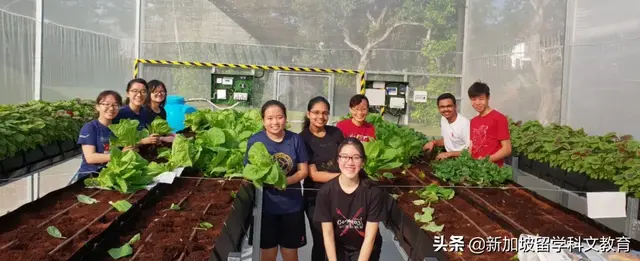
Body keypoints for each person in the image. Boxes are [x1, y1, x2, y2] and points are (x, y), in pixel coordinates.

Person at [245, 100, 309, 261]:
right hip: (265, 208)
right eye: (270, 118)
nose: (275, 122)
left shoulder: (295, 139)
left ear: (285, 119)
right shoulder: (255, 141)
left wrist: (284, 182)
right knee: (268, 254)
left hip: (292, 207)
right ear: (263, 121)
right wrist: (266, 179)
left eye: (279, 117)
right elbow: (248, 172)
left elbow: (303, 171)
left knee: (289, 253)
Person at [314, 138, 385, 261]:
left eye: (356, 157)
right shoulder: (326, 192)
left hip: (365, 249)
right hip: (338, 248)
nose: (350, 162)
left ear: (362, 161)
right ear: (338, 159)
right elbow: (328, 234)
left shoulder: (373, 192)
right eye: (344, 157)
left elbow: (370, 237)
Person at [299, 96, 344, 261]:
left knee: (339, 241)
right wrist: (344, 176)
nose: (321, 116)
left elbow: (345, 158)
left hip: (340, 196)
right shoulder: (302, 138)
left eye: (325, 113)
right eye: (316, 112)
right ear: (308, 114)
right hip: (315, 199)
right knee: (321, 242)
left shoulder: (336, 133)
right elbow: (314, 174)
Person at [69, 90, 135, 184]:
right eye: (106, 104)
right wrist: (120, 155)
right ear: (97, 107)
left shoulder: (119, 128)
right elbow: (90, 158)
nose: (111, 108)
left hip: (111, 175)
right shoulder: (90, 127)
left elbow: (125, 150)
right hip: (90, 176)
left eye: (115, 105)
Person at [467, 81, 512, 167]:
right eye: (473, 99)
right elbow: (471, 147)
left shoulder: (499, 118)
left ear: (488, 98)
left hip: (492, 170)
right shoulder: (473, 121)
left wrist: (486, 160)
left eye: (481, 99)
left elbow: (507, 149)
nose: (477, 103)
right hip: (475, 168)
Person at [423, 93, 471, 160]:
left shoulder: (464, 124)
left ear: (455, 106)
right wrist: (433, 142)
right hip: (448, 158)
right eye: (442, 107)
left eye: (449, 106)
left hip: (463, 160)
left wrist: (449, 154)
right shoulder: (443, 119)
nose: (446, 109)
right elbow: (447, 140)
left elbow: (471, 151)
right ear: (438, 108)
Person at [114, 78, 158, 145]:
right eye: (135, 91)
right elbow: (117, 142)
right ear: (128, 93)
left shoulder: (147, 113)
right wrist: (141, 142)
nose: (139, 95)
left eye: (143, 91)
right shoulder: (119, 114)